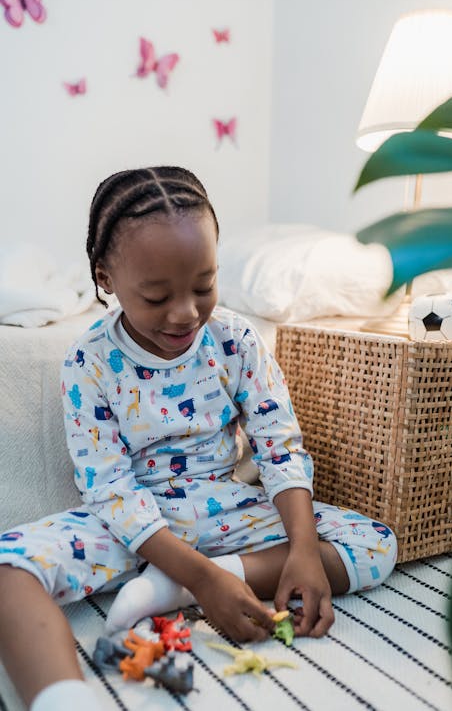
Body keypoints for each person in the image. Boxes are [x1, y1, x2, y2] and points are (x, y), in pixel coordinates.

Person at [0, 166, 397, 711]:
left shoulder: (235, 340)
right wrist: (197, 571)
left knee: (377, 541)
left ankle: (173, 589)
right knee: (8, 572)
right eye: (157, 296)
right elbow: (109, 487)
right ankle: (64, 699)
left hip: (226, 507)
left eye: (204, 286)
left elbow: (278, 447)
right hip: (133, 524)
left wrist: (301, 552)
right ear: (106, 278)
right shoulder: (88, 360)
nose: (185, 313)